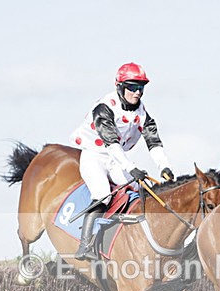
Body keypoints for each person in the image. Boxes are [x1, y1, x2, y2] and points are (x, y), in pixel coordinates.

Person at [70, 62, 175, 261]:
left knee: (138, 188)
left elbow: (153, 141)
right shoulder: (104, 107)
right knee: (103, 194)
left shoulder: (143, 113)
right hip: (95, 155)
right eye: (133, 87)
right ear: (120, 86)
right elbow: (111, 144)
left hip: (116, 159)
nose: (137, 93)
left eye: (141, 88)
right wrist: (132, 168)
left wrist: (165, 167)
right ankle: (85, 245)